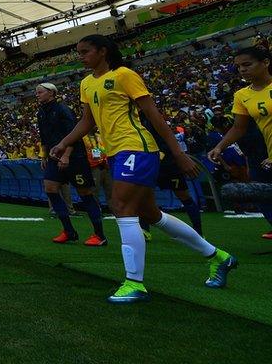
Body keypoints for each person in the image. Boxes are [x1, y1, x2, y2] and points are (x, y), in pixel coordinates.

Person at [51, 35, 236, 303]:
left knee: (120, 206)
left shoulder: (125, 75)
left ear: (103, 52)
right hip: (116, 153)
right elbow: (86, 122)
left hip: (136, 147)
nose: (81, 56)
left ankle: (134, 283)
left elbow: (153, 115)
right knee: (151, 213)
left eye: (85, 51)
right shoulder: (86, 83)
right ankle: (218, 257)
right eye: (78, 52)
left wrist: (178, 153)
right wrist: (64, 142)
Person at [208, 46, 272, 238]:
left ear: (266, 62)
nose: (242, 70)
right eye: (238, 66)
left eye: (247, 64)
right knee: (260, 191)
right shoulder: (242, 95)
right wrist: (219, 147)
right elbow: (239, 128)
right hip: (267, 153)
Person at [34, 82, 106, 246]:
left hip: (74, 157)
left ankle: (100, 234)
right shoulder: (41, 113)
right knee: (50, 187)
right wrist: (44, 156)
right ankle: (69, 230)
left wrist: (66, 156)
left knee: (84, 192)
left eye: (40, 92)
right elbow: (44, 137)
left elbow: (73, 134)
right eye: (36, 92)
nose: (37, 95)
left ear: (51, 93)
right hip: (54, 156)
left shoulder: (63, 110)